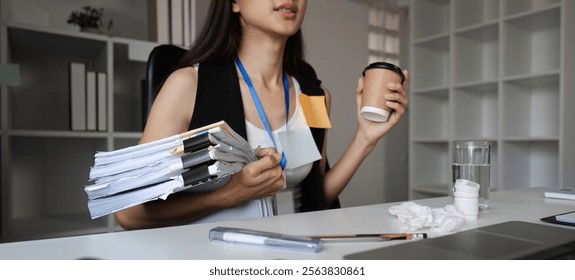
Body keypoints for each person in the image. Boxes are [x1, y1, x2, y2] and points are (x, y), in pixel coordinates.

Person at [115, 0, 409, 230]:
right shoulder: (187, 85)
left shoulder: (314, 96)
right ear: (234, 3)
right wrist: (228, 194)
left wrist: (365, 139)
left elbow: (316, 197)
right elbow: (128, 214)